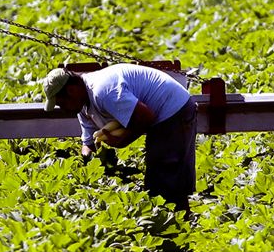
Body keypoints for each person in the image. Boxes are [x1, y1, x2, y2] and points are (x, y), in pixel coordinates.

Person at [42, 64, 197, 210]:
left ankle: (178, 229)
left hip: (173, 108)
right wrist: (87, 169)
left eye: (61, 103)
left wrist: (124, 140)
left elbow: (145, 116)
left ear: (71, 91)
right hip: (162, 113)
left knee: (166, 178)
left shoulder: (103, 91)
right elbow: (88, 143)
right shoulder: (83, 106)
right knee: (159, 178)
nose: (62, 109)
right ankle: (174, 225)